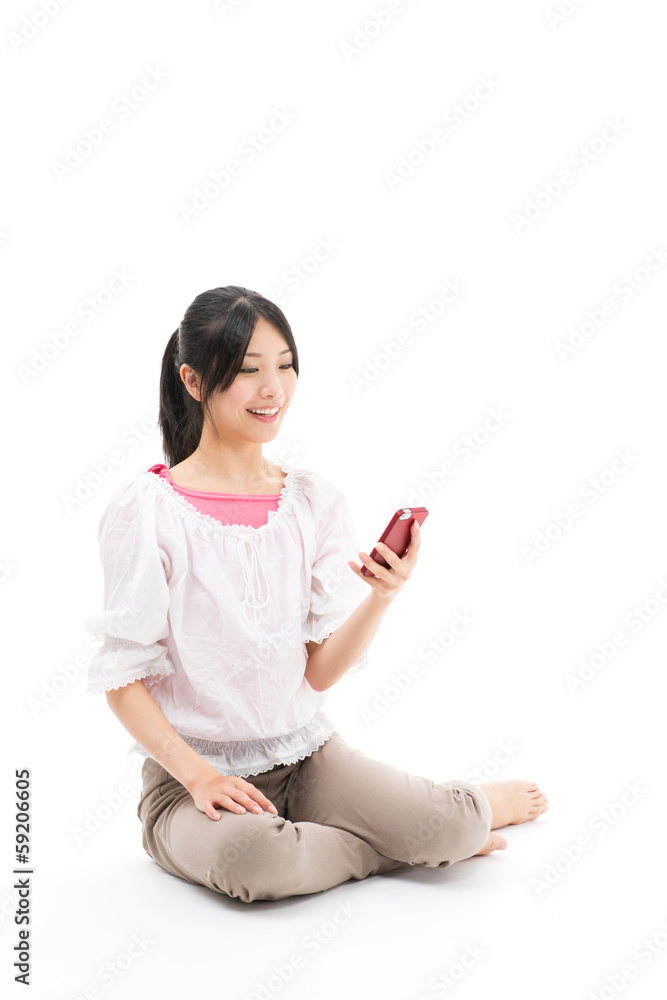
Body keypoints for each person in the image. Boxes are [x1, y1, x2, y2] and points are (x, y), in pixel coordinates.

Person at [83, 285, 548, 904]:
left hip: (305, 759)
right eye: (247, 371)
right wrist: (199, 777)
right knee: (258, 864)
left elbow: (321, 671)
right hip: (188, 784)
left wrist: (383, 596)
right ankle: (402, 844)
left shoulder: (312, 501)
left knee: (455, 822)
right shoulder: (147, 510)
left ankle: (458, 821)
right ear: (194, 381)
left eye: (284, 365)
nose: (272, 388)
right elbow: (122, 680)